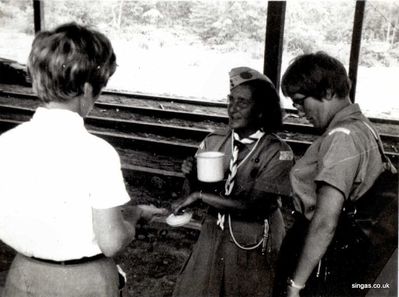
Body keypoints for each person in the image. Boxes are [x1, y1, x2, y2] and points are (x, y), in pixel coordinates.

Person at [0, 23, 165, 297]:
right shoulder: (97, 152)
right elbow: (111, 241)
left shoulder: (5, 143)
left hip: (23, 277)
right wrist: (132, 220)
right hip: (82, 283)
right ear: (87, 89)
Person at [275, 51, 397, 297]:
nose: (298, 111)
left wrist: (296, 285)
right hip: (351, 252)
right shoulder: (363, 127)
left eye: (300, 101)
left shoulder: (341, 138)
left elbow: (324, 223)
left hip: (326, 259)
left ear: (328, 91)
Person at [172, 67, 294, 297]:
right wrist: (190, 177)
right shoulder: (214, 141)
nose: (232, 108)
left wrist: (200, 196)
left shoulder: (278, 152)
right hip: (213, 235)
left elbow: (254, 207)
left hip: (254, 239)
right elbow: (188, 194)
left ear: (260, 110)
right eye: (230, 100)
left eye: (242, 103)